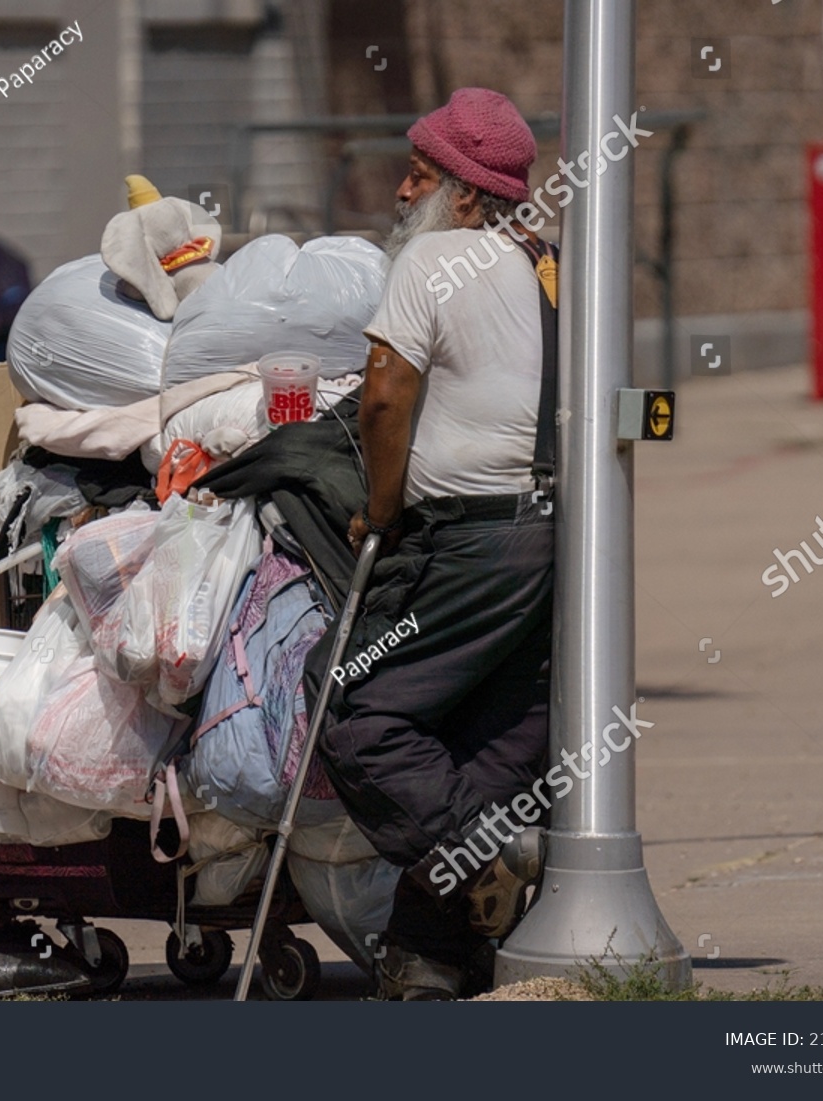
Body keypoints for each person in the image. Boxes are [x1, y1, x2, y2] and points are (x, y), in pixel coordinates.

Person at [306, 87, 556, 1000]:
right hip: (552, 536)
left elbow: (384, 392)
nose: (399, 191)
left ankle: (483, 863)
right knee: (483, 743)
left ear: (463, 195)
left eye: (419, 174)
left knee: (350, 705)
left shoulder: (434, 260)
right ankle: (433, 955)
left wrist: (379, 506)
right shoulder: (547, 260)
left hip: (474, 539)